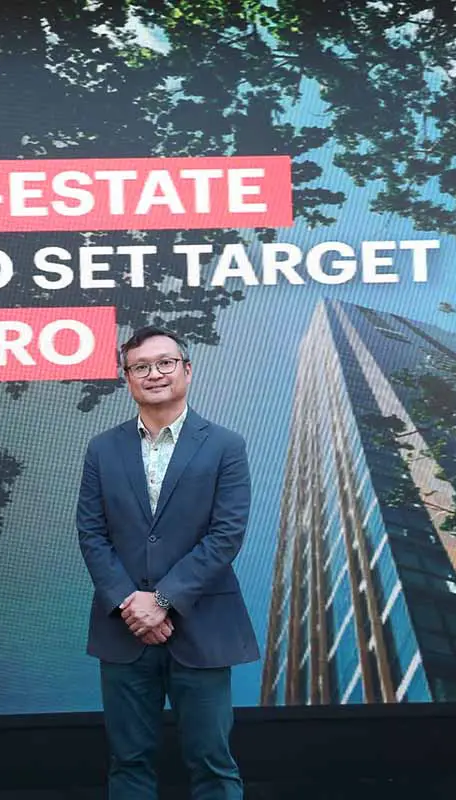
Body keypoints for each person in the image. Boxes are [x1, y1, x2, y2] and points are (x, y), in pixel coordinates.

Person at [75, 325, 258, 800]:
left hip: (202, 626)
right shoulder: (102, 449)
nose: (153, 374)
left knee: (213, 764)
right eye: (140, 367)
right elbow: (92, 533)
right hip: (124, 630)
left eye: (165, 363)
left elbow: (226, 535)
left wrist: (162, 601)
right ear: (127, 378)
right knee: (128, 762)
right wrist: (131, 604)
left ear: (187, 370)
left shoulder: (225, 445)